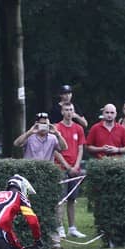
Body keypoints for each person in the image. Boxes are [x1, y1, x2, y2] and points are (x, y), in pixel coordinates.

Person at [54, 102, 86, 239]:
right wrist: (67, 166)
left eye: (71, 110)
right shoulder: (56, 128)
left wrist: (76, 166)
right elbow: (55, 150)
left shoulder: (78, 128)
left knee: (72, 199)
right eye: (66, 110)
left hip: (75, 168)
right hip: (60, 167)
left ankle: (72, 228)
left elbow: (80, 148)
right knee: (61, 200)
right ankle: (59, 227)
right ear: (62, 112)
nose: (69, 112)